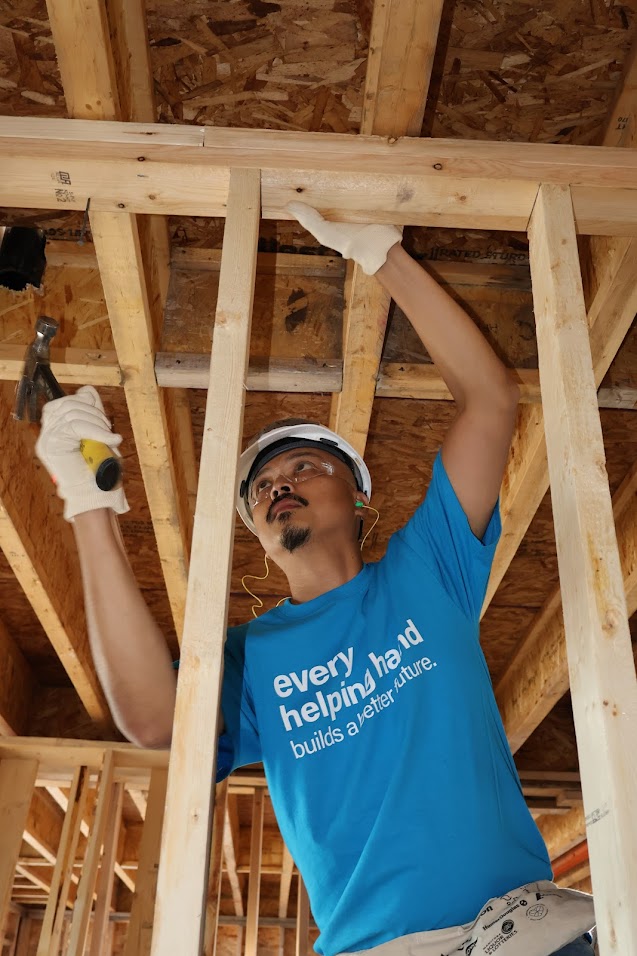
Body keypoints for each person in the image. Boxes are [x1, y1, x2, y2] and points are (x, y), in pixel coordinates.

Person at [35, 204, 596, 956]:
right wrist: (88, 504)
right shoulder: (252, 657)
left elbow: (491, 400)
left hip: (523, 936)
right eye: (261, 488)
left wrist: (380, 251)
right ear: (259, 533)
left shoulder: (427, 569)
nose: (279, 485)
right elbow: (154, 720)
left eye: (305, 466)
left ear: (358, 498)